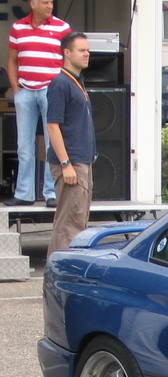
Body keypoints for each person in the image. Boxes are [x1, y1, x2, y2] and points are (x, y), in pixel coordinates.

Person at [5, 0, 70, 206]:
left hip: (51, 91)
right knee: (24, 145)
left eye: (51, 2)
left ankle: (51, 193)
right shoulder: (18, 27)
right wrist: (16, 90)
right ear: (33, 4)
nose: (49, 6)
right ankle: (24, 194)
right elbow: (11, 60)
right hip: (25, 90)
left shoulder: (62, 27)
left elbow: (69, 60)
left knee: (53, 144)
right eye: (44, 2)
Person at [46, 32, 95, 256]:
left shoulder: (77, 82)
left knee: (79, 220)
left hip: (83, 161)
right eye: (81, 50)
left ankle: (70, 267)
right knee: (68, 224)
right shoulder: (60, 83)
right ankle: (59, 270)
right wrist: (66, 164)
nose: (87, 54)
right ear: (66, 53)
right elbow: (52, 126)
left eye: (88, 50)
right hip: (71, 163)